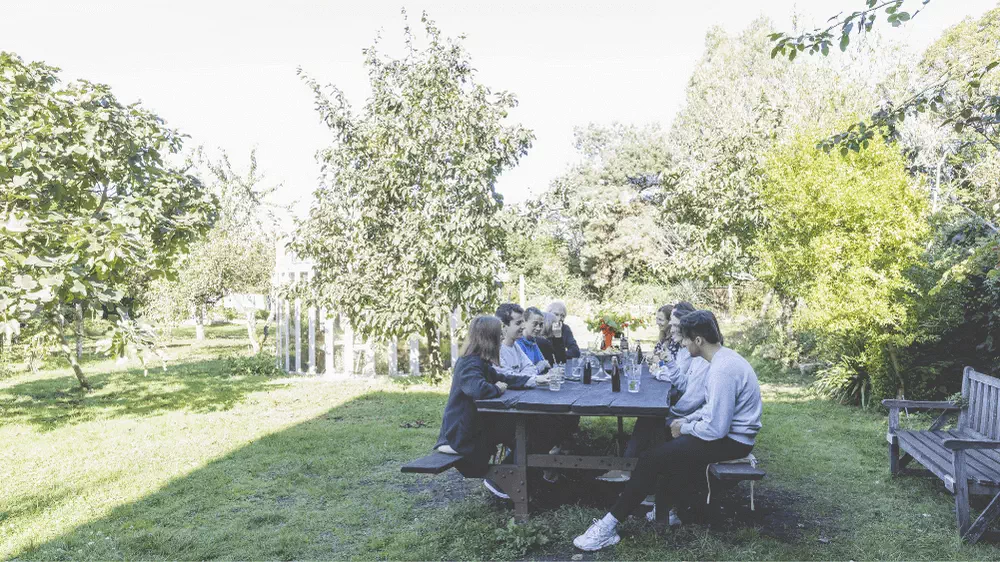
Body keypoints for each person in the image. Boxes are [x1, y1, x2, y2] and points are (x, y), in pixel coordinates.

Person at [573, 310, 762, 552]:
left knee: (652, 459)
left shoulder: (722, 370)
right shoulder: (722, 360)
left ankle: (608, 526)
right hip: (727, 434)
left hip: (734, 441)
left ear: (698, 340)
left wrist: (685, 427)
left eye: (685, 339)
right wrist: (685, 422)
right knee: (661, 449)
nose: (682, 343)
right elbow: (711, 409)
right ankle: (666, 510)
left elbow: (716, 428)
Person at [434, 315, 550, 499]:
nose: (501, 339)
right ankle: (500, 481)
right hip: (461, 436)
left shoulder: (479, 362)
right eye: (498, 335)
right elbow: (478, 389)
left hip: (475, 427)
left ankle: (522, 477)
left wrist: (533, 380)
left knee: (532, 429)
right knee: (526, 431)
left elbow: (504, 378)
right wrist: (496, 388)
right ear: (490, 339)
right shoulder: (468, 363)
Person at [596, 302, 701, 484]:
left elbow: (691, 392)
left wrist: (672, 412)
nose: (670, 328)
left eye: (674, 325)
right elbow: (683, 382)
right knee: (649, 414)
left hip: (689, 411)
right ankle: (629, 469)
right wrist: (667, 363)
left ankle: (633, 472)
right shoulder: (687, 350)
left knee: (650, 415)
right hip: (683, 403)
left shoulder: (694, 352)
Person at [497, 303, 548, 378]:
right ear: (504, 326)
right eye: (518, 323)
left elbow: (531, 367)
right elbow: (510, 378)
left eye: (522, 322)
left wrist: (522, 376)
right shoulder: (496, 350)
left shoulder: (515, 346)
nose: (523, 326)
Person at [517, 307, 552, 372]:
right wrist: (541, 366)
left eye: (541, 325)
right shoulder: (518, 343)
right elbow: (524, 373)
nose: (538, 328)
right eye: (535, 324)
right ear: (524, 322)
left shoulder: (533, 341)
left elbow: (546, 364)